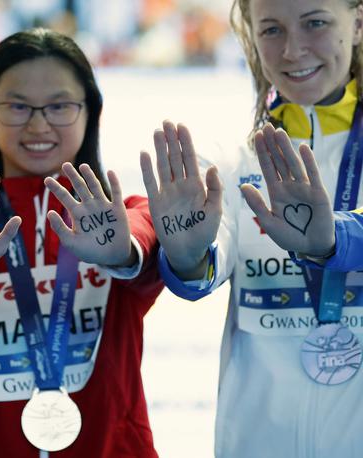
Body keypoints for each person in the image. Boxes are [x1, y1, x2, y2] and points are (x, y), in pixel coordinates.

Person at [0, 28, 163, 457]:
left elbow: (144, 240)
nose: (39, 124)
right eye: (18, 106)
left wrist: (121, 254)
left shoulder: (123, 218)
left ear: (90, 112)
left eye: (60, 106)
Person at [140, 0, 363, 456]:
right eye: (272, 30)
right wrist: (186, 255)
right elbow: (200, 269)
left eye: (315, 23)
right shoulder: (232, 161)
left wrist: (336, 240)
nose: (293, 50)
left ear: (357, 23)